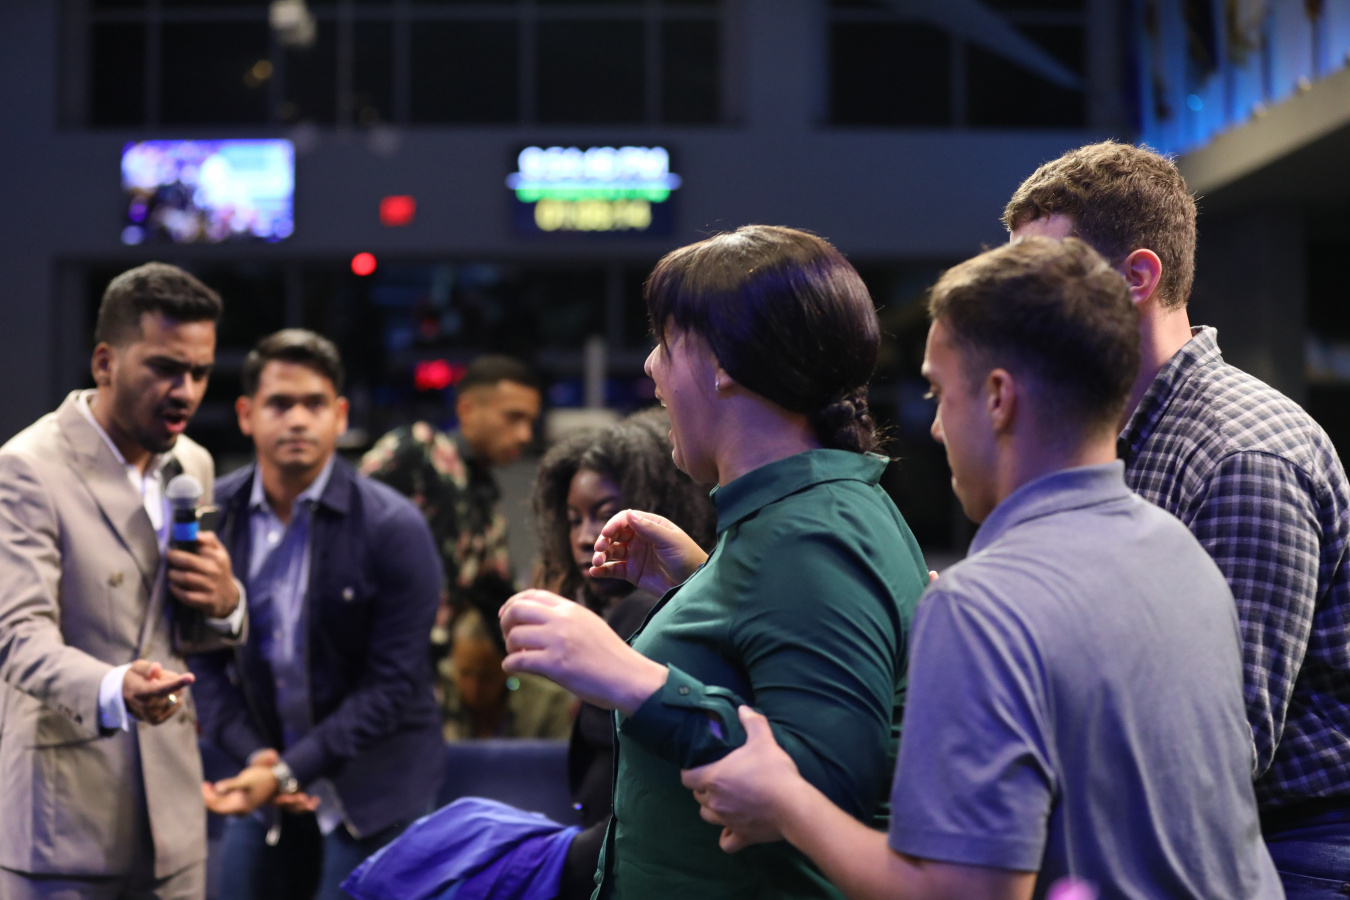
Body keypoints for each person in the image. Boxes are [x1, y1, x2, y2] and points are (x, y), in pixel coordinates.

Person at [682, 237, 1283, 900]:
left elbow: (962, 894)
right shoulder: (1180, 553)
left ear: (998, 398)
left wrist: (786, 800)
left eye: (939, 392)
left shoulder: (982, 607)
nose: (936, 428)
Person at [499, 225, 930, 899]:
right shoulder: (798, 516)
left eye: (667, 344)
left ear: (725, 362)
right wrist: (703, 581)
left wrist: (629, 678)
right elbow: (773, 661)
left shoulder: (813, 531)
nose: (651, 368)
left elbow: (818, 793)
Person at [1003, 141, 1350, 895]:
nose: (1017, 314)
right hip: (1191, 830)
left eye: (1044, 280)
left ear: (1137, 277)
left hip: (1292, 850)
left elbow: (1222, 746)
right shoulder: (1116, 431)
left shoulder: (1242, 454)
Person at [0, 262, 244, 899]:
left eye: (200, 373)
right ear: (105, 362)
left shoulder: (193, 463)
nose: (185, 392)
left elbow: (185, 631)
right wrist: (114, 688)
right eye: (165, 367)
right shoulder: (27, 468)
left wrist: (226, 605)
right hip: (63, 823)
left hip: (174, 823)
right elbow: (17, 638)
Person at [189, 329, 444, 900]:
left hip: (376, 779)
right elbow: (199, 660)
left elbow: (392, 683)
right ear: (246, 415)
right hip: (263, 770)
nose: (298, 420)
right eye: (280, 404)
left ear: (340, 415)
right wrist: (259, 760)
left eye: (315, 404)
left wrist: (288, 770)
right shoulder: (214, 519)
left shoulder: (392, 527)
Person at [531, 407, 717, 899]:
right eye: (573, 519)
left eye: (602, 513)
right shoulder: (629, 607)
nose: (583, 537)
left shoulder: (648, 610)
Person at [359, 355, 542, 654]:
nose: (525, 435)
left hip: (426, 661)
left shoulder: (485, 498)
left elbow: (497, 600)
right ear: (466, 409)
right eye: (513, 417)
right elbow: (344, 525)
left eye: (530, 422)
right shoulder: (420, 450)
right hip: (373, 649)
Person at [439, 606, 575, 741]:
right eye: (465, 673)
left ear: (509, 666)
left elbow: (561, 753)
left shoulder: (547, 704)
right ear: (453, 662)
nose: (474, 688)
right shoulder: (439, 698)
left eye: (486, 677)